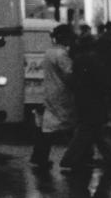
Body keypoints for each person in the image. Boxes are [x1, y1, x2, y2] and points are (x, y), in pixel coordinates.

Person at [59, 33, 111, 173]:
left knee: (95, 132)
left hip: (83, 100)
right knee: (87, 132)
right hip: (94, 100)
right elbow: (102, 81)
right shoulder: (94, 60)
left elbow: (74, 81)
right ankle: (69, 159)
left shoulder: (79, 60)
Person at [30, 24, 76, 169]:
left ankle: (39, 156)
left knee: (48, 128)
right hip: (61, 93)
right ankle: (75, 156)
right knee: (70, 125)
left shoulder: (49, 52)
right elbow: (69, 74)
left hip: (50, 92)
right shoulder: (61, 54)